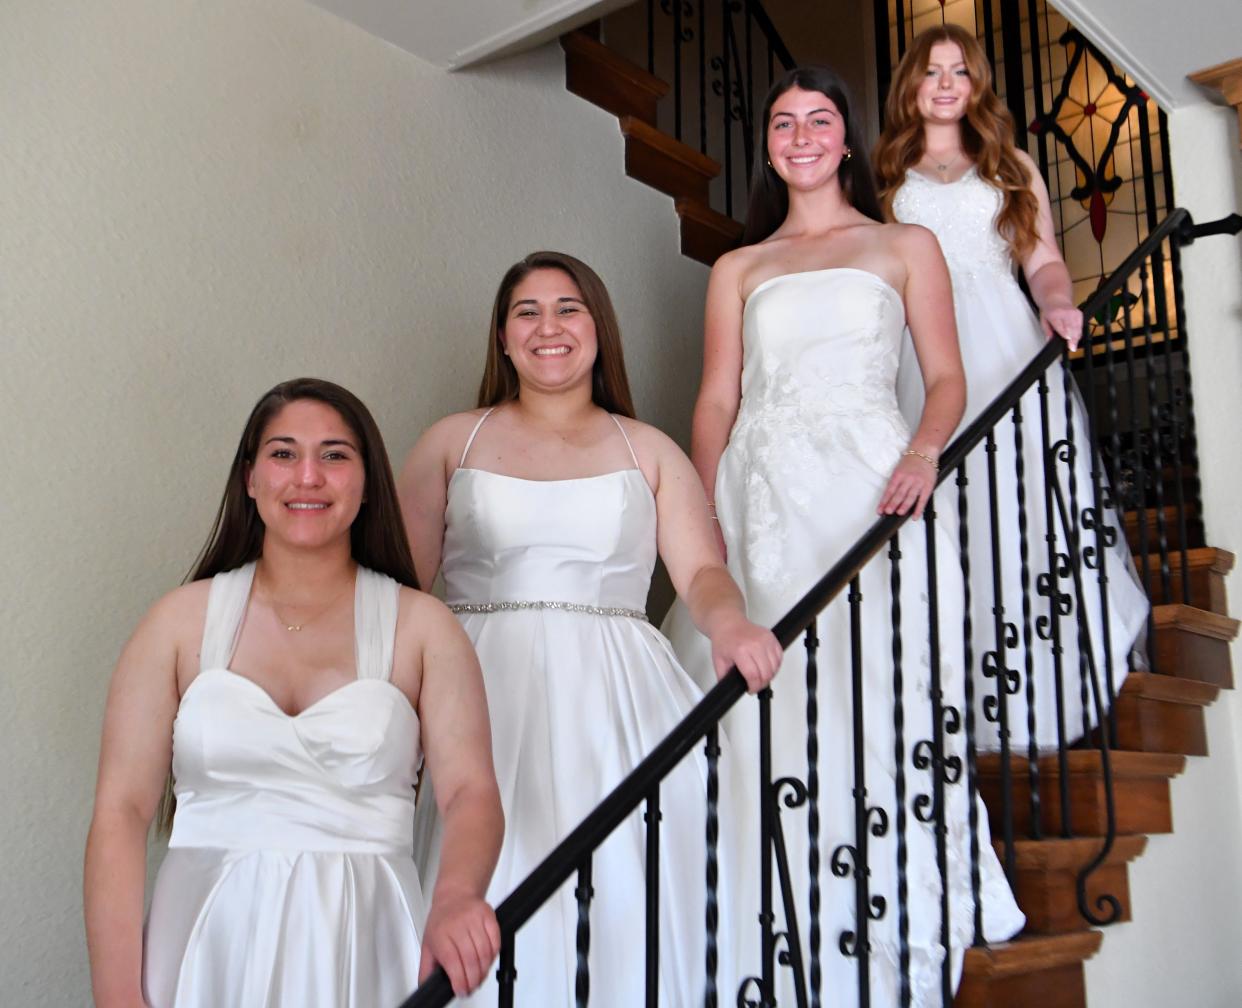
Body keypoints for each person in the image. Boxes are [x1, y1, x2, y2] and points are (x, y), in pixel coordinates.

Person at [662, 67, 1025, 1005]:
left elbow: (945, 377)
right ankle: (777, 912)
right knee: (768, 702)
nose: (800, 134)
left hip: (872, 487)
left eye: (819, 119)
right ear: (770, 148)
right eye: (783, 122)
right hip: (766, 495)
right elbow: (716, 398)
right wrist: (705, 517)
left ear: (849, 140)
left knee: (883, 686)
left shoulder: (904, 244)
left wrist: (922, 452)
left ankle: (893, 890)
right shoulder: (739, 267)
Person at [399, 251, 782, 1006]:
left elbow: (701, 574)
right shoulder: (453, 442)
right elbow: (401, 591)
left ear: (598, 329)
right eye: (527, 312)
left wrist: (731, 624)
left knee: (619, 894)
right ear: (502, 338)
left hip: (617, 696)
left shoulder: (648, 448)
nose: (549, 327)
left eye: (568, 308)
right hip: (478, 687)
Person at [83, 378, 503, 1008]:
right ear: (249, 479)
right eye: (283, 454)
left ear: (367, 483)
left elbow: (471, 792)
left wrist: (456, 896)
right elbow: (120, 810)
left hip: (369, 937)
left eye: (335, 455)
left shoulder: (422, 628)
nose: (308, 476)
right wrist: (116, 993)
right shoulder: (176, 622)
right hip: (204, 941)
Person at [873, 24, 1148, 751]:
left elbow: (1044, 260)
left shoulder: (1009, 165)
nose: (943, 83)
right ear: (910, 84)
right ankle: (957, 697)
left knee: (1021, 501)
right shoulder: (885, 177)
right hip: (919, 352)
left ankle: (1046, 682)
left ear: (976, 85)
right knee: (945, 514)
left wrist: (1058, 302)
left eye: (958, 72)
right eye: (930, 71)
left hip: (1004, 343)